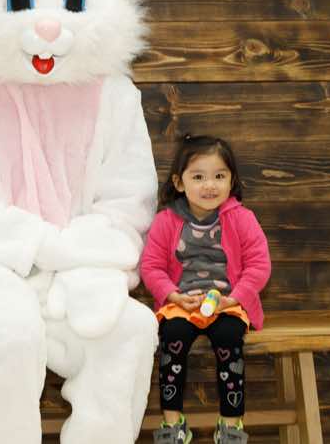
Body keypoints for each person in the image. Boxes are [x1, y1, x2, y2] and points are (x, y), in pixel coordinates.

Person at [140, 135, 272, 444]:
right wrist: (173, 295)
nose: (209, 185)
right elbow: (151, 267)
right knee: (172, 338)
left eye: (219, 176)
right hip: (181, 303)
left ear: (231, 180)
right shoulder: (166, 221)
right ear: (179, 182)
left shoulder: (242, 219)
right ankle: (173, 423)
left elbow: (259, 265)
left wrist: (234, 299)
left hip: (228, 304)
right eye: (198, 177)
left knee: (229, 338)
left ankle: (231, 424)